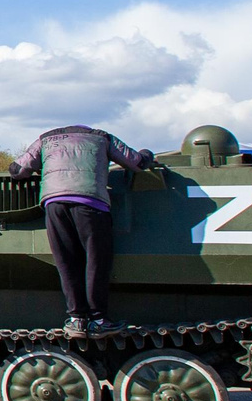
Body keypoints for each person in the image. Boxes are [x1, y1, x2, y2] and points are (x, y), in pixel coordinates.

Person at [11, 125, 155, 336]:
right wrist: (147, 155)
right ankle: (98, 319)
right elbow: (136, 163)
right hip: (90, 203)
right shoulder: (102, 138)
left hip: (55, 204)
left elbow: (17, 170)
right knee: (96, 261)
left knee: (67, 262)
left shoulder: (46, 139)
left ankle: (76, 319)